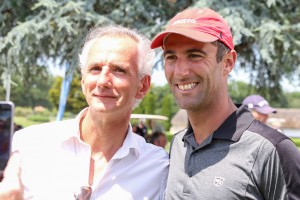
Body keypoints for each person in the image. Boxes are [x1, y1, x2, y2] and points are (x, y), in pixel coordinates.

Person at [0, 25, 169, 199]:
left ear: (143, 86)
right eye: (95, 68)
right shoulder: (29, 145)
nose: (103, 81)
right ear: (83, 81)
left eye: (119, 70)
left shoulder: (158, 167)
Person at [151, 7, 300, 199]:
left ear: (228, 62)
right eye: (171, 57)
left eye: (195, 55)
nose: (180, 72)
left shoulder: (270, 150)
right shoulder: (179, 144)